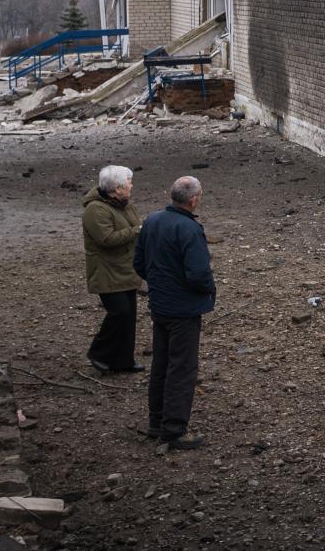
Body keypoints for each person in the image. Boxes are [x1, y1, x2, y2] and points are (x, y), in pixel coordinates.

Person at [133, 176, 215, 449]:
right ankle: (174, 430)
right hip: (183, 308)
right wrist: (206, 290)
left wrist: (160, 284)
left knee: (162, 364)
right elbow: (198, 274)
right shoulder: (189, 230)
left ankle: (156, 422)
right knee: (182, 368)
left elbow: (139, 263)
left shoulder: (153, 220)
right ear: (193, 200)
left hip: (160, 304)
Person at [83, 165, 144, 374]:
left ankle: (123, 360)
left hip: (126, 268)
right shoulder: (95, 210)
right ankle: (99, 352)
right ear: (117, 188)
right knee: (119, 313)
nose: (131, 185)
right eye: (129, 181)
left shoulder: (126, 205)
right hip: (106, 271)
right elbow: (106, 239)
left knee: (128, 316)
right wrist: (138, 231)